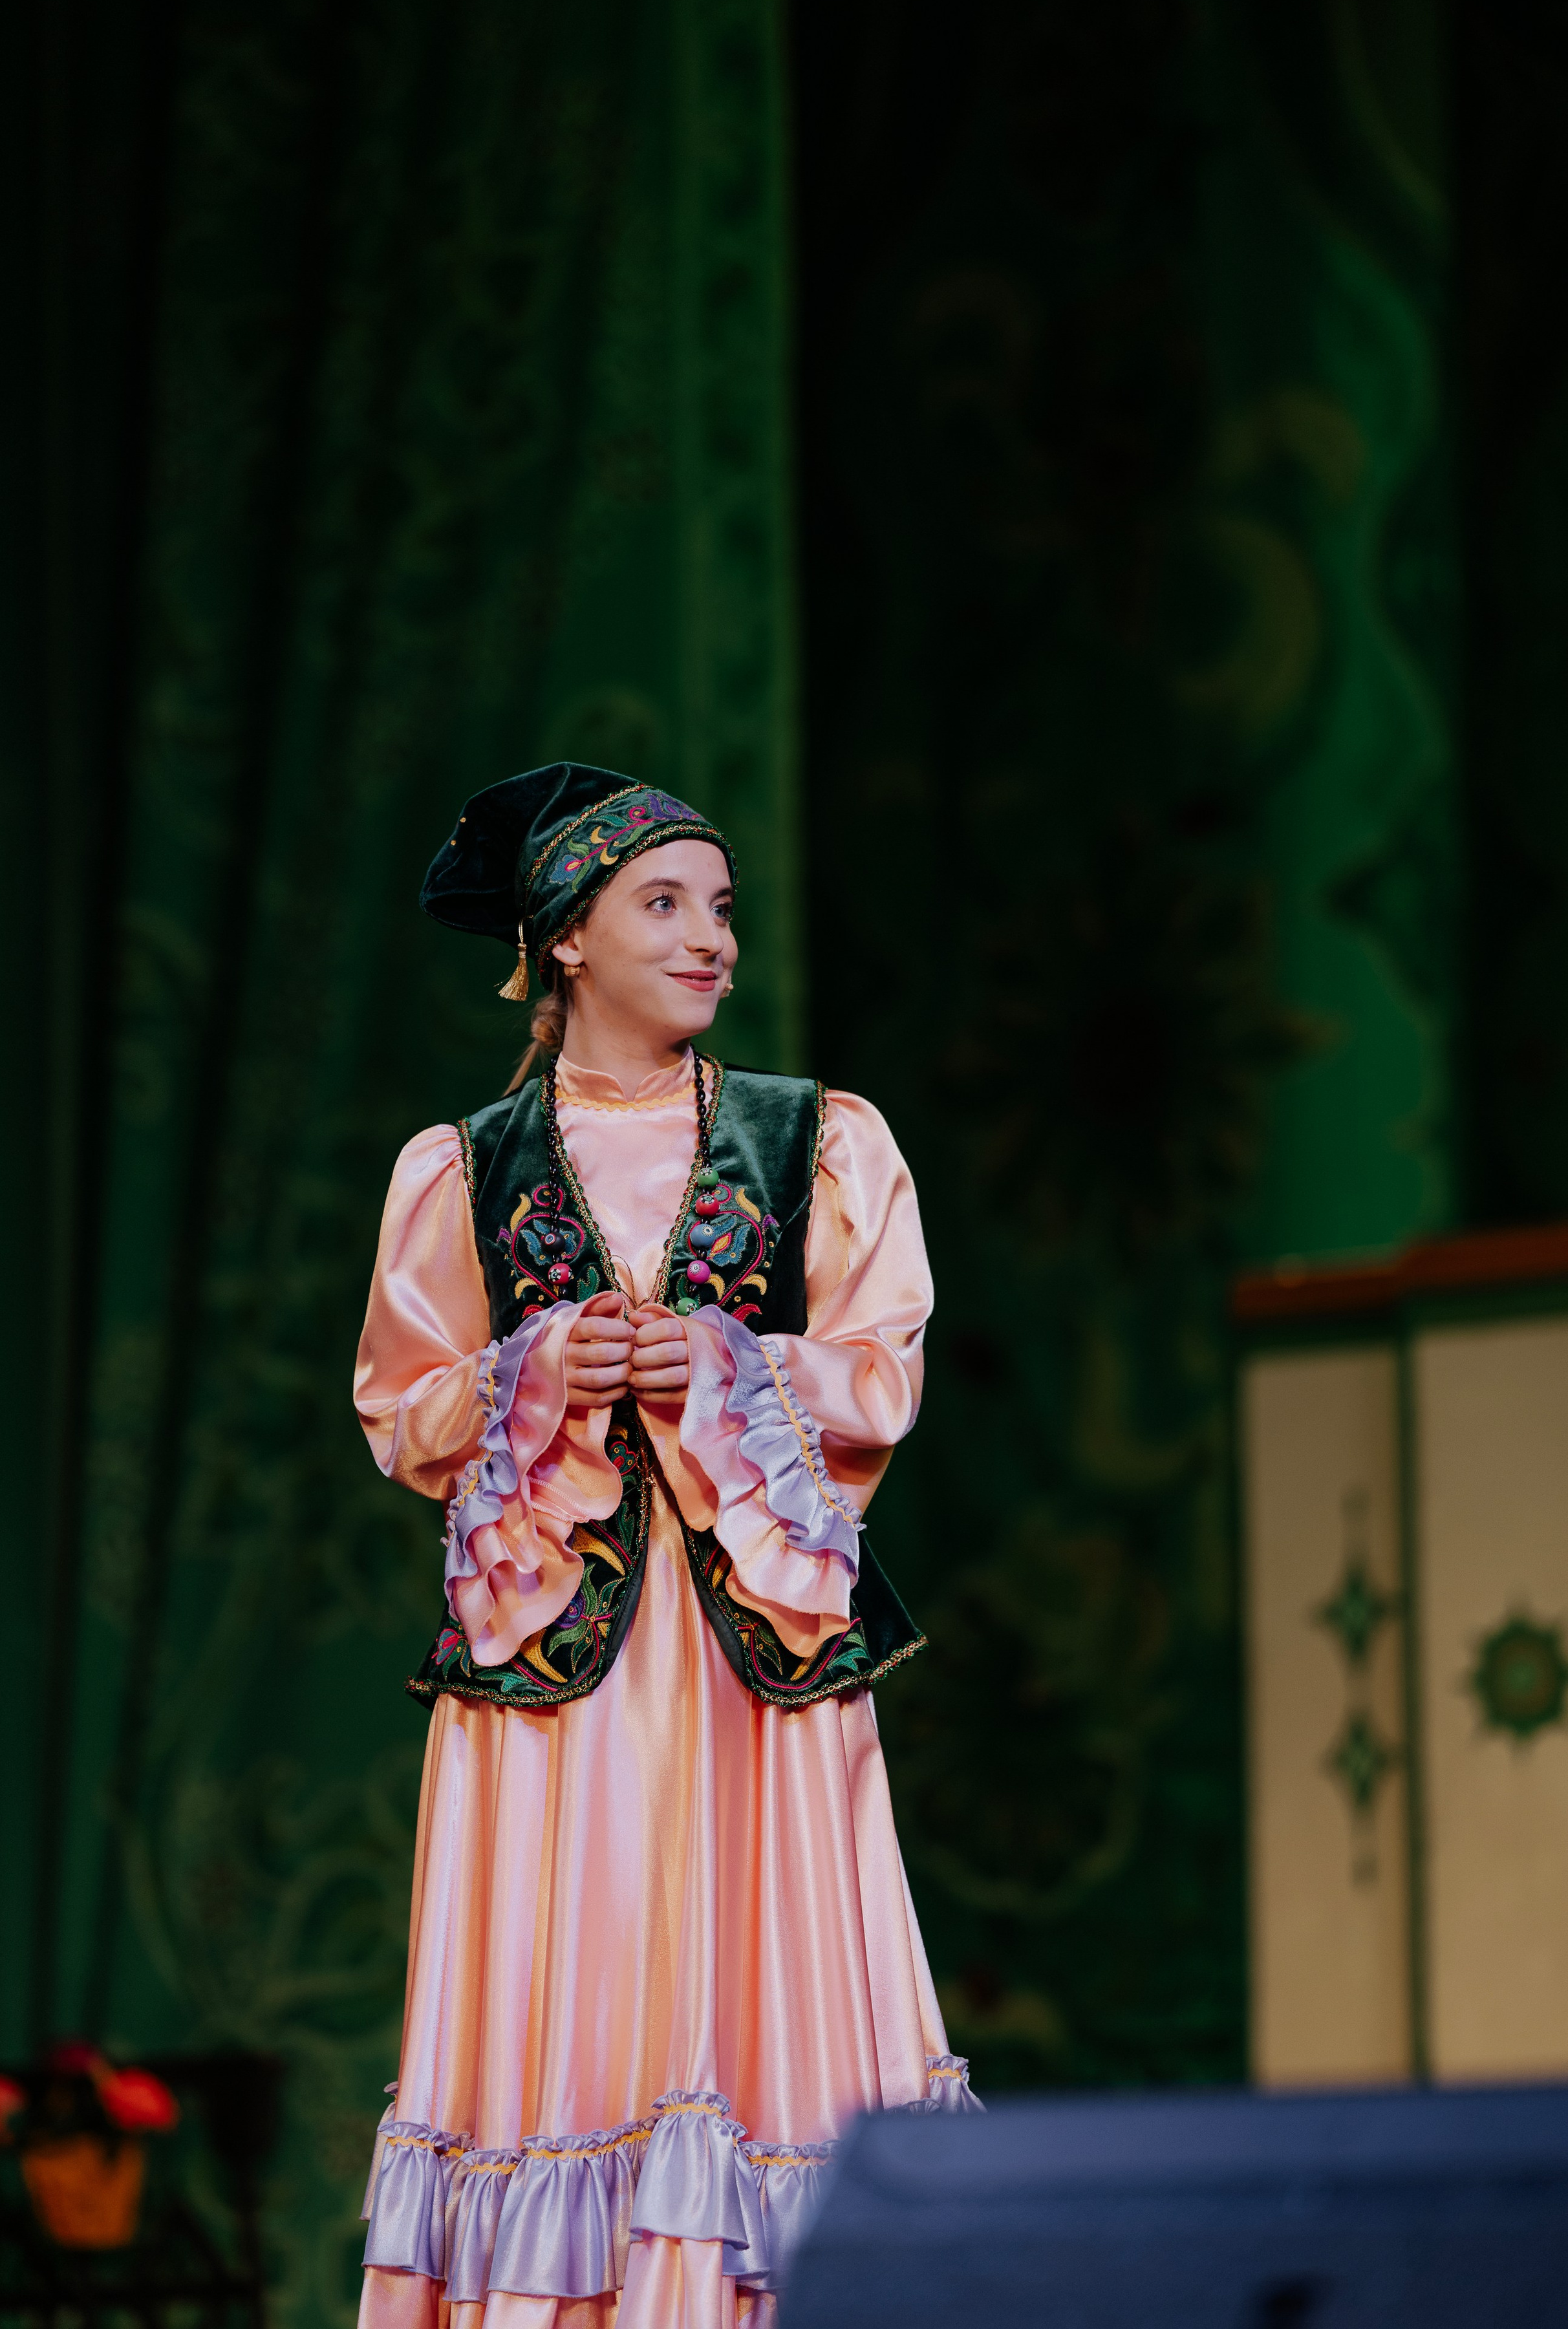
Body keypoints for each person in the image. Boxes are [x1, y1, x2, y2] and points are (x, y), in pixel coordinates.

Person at [354, 765, 976, 2329]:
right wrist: (531, 1373)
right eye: (666, 904)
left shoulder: (818, 1139)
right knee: (575, 2008)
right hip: (556, 1677)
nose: (711, 940)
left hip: (748, 1662)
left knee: (759, 2011)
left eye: (721, 910)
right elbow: (400, 1405)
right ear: (566, 938)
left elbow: (879, 1371)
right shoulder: (461, 1167)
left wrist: (720, 1367)